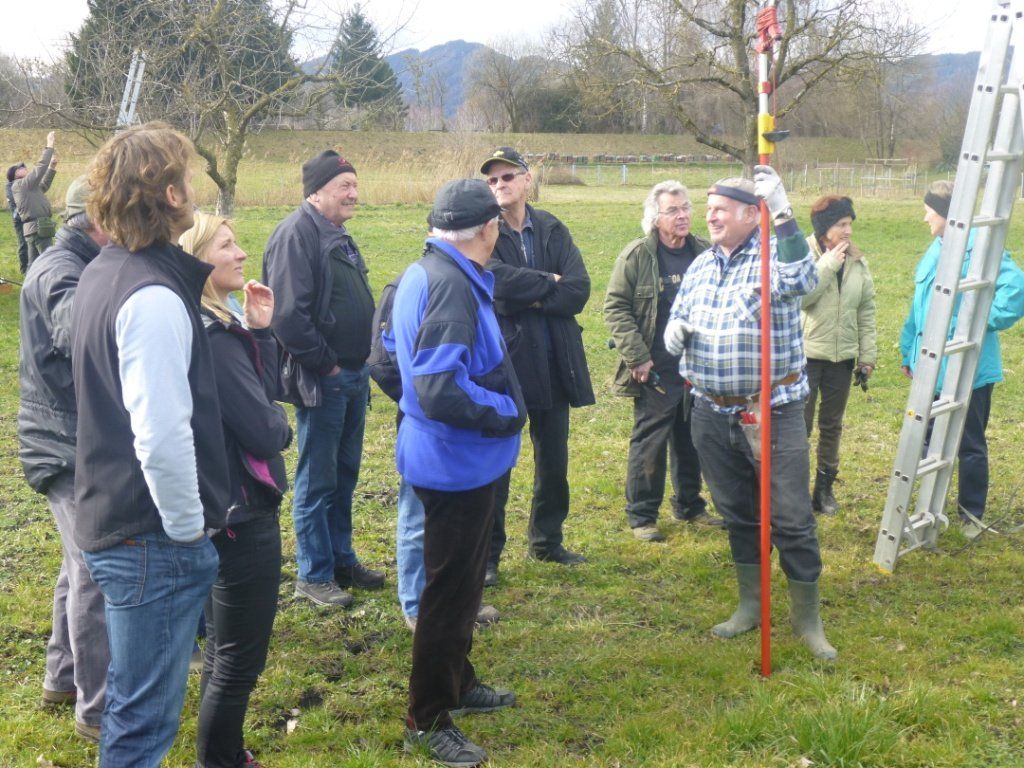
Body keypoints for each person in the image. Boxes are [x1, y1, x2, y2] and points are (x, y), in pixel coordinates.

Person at [70, 123, 228, 767]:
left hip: (121, 521)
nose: (193, 188)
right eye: (186, 177)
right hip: (150, 537)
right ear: (170, 194)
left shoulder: (105, 271)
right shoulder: (152, 294)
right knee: (143, 720)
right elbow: (160, 435)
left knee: (136, 705)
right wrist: (188, 532)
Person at [665, 169, 836, 660]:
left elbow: (804, 279)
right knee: (738, 514)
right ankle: (751, 604)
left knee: (790, 516)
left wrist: (782, 211)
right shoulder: (701, 264)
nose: (710, 216)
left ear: (749, 214)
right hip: (709, 411)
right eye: (709, 208)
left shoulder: (773, 257)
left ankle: (807, 619)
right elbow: (680, 313)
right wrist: (674, 332)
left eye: (721, 209)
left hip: (771, 413)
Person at [392, 179, 526, 768]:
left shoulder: (426, 270)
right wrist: (504, 412)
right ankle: (426, 718)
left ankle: (459, 681)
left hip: (451, 457)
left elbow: (389, 358)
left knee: (464, 585)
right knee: (449, 595)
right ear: (488, 229)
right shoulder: (451, 286)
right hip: (456, 465)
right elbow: (439, 388)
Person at [180, 212, 291, 768]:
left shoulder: (204, 322)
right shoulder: (216, 339)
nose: (242, 253)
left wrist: (262, 331)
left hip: (216, 504)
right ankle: (220, 759)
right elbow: (266, 428)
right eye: (226, 245)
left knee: (225, 649)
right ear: (197, 259)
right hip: (240, 510)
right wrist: (282, 427)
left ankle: (222, 753)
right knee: (237, 658)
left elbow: (261, 391)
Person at [263, 149, 383, 608]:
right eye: (343, 186)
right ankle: (313, 574)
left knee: (344, 474)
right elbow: (287, 317)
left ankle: (341, 559)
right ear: (316, 192)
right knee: (317, 479)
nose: (353, 193)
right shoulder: (296, 235)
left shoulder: (336, 234)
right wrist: (327, 364)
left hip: (353, 374)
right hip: (325, 378)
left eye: (354, 184)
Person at [17, 176, 110, 743]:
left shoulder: (80, 263)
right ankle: (97, 711)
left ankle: (62, 676)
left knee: (76, 565)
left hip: (69, 436)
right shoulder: (60, 271)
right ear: (96, 219)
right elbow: (83, 335)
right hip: (64, 443)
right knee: (94, 571)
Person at [478, 146, 594, 585]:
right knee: (499, 463)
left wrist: (532, 296)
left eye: (507, 176)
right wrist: (549, 283)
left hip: (555, 358)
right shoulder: (484, 230)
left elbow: (578, 289)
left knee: (554, 460)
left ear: (527, 180)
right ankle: (489, 556)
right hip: (507, 361)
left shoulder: (552, 228)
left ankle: (547, 541)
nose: (500, 185)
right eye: (492, 180)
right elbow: (495, 284)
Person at [899, 180, 1024, 539]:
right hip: (931, 368)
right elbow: (920, 305)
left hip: (969, 368)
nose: (925, 218)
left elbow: (1017, 289)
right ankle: (927, 508)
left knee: (969, 443)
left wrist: (974, 324)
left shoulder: (981, 248)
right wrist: (909, 350)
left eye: (930, 211)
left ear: (947, 214)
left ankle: (971, 515)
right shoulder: (937, 247)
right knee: (926, 440)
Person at [604, 180, 724, 542]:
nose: (682, 215)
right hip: (655, 368)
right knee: (650, 442)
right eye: (673, 210)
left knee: (692, 438)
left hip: (697, 367)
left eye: (686, 207)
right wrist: (637, 358)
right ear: (655, 217)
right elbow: (615, 308)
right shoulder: (637, 256)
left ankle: (690, 505)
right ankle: (642, 516)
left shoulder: (706, 252)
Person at [801, 195, 877, 515]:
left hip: (841, 359)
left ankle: (824, 491)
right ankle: (795, 492)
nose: (848, 231)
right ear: (824, 228)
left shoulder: (857, 260)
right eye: (841, 224)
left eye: (850, 224)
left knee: (832, 426)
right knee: (800, 427)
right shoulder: (803, 254)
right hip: (805, 356)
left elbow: (866, 310)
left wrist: (867, 356)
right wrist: (829, 264)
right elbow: (802, 298)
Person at [12, 131, 59, 264]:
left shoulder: (29, 187)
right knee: (49, 263)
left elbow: (43, 186)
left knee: (33, 265)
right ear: (16, 174)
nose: (24, 167)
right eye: (21, 167)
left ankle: (30, 278)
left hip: (36, 229)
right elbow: (40, 168)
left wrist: (52, 167)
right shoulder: (20, 184)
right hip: (38, 229)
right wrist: (49, 145)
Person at [6, 162, 29, 273]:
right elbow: (16, 199)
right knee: (23, 243)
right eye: (20, 170)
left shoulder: (26, 184)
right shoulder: (10, 186)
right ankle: (24, 269)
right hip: (19, 219)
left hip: (28, 217)